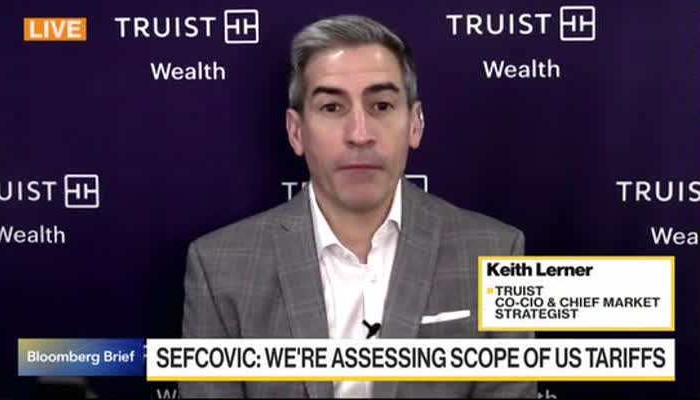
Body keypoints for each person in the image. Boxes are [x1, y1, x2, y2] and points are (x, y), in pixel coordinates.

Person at [180, 14, 535, 399]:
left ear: (415, 124)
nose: (360, 135)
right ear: (296, 132)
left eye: (381, 105)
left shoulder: (497, 252)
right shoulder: (219, 268)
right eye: (332, 108)